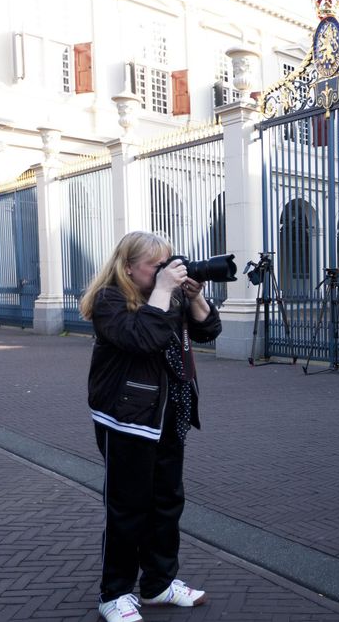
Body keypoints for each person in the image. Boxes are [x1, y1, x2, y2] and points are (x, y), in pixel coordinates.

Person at [79, 231, 221, 622]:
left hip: (169, 416)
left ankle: (158, 584)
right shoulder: (110, 300)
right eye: (156, 265)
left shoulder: (169, 296)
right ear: (128, 268)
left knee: (166, 504)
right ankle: (115, 593)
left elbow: (209, 331)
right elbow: (143, 338)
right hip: (127, 420)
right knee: (128, 508)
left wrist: (194, 297)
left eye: (168, 263)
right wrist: (163, 291)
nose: (166, 271)